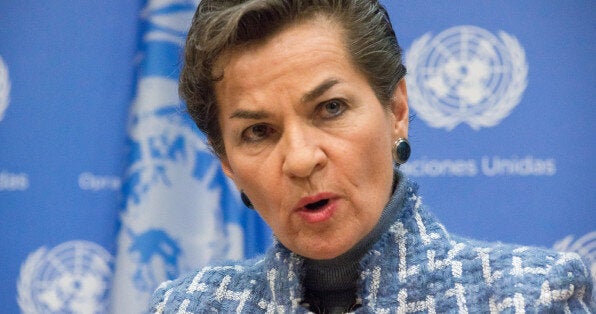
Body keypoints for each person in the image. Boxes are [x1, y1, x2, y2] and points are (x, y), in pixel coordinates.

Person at [150, 0, 594, 312]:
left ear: (397, 110)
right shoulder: (190, 307)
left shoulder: (528, 296)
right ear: (227, 162)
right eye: (258, 132)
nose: (301, 160)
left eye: (331, 108)